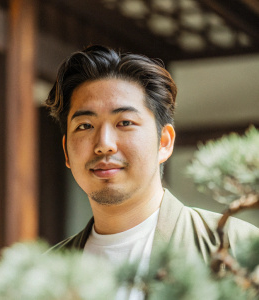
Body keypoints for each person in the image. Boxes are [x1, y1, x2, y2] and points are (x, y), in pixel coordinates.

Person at [45, 45, 258, 270]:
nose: (104, 144)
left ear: (164, 142)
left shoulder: (240, 248)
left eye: (125, 123)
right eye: (85, 125)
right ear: (67, 151)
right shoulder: (45, 273)